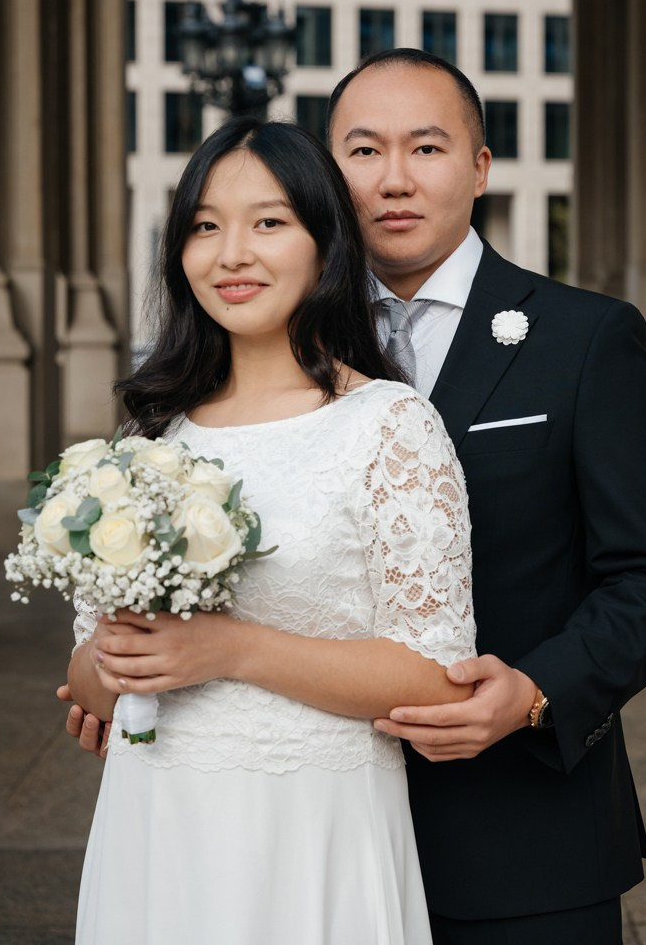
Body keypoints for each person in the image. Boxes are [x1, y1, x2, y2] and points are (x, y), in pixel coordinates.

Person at [63, 49, 646, 943]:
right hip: (275, 832)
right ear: (328, 179)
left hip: (513, 825)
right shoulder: (224, 371)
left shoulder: (584, 338)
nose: (394, 179)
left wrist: (531, 694)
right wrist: (120, 667)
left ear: (479, 168)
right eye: (362, 152)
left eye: (428, 148)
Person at [66, 116, 476, 945]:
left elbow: (435, 677)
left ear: (325, 244)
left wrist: (227, 649)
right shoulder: (148, 437)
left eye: (268, 223)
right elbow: (90, 683)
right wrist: (113, 660)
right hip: (156, 818)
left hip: (313, 821)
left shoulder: (389, 426)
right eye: (204, 227)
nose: (231, 254)